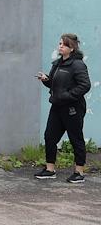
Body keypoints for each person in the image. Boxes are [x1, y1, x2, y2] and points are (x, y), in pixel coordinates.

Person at [35, 33, 91, 183]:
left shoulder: (78, 65)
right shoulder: (57, 64)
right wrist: (46, 79)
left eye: (64, 44)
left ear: (71, 48)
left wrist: (67, 95)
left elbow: (85, 85)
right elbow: (54, 83)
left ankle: (79, 172)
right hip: (57, 106)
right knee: (50, 136)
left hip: (73, 108)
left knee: (76, 139)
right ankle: (50, 169)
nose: (60, 46)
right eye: (60, 43)